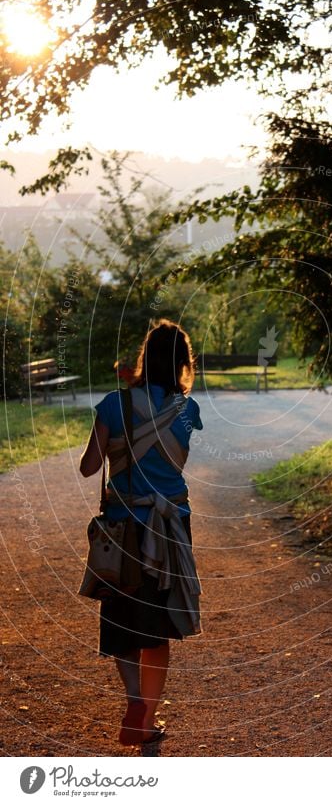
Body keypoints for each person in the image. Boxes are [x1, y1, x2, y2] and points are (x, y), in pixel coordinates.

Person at [80, 319, 203, 747]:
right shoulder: (188, 410)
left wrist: (113, 425)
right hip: (169, 527)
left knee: (121, 625)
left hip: (124, 528)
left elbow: (89, 468)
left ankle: (133, 699)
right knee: (157, 630)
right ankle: (146, 720)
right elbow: (178, 459)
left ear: (143, 358)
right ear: (182, 364)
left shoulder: (113, 405)